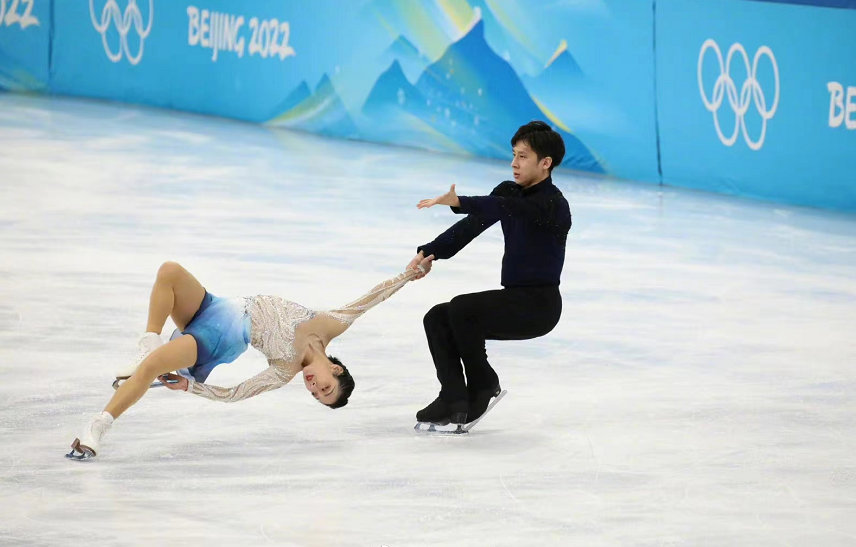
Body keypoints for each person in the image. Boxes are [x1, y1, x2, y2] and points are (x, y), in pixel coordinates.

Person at [67, 256, 434, 459]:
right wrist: (409, 274)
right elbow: (372, 299)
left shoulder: (284, 369)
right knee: (169, 271)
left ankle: (98, 427)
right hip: (218, 305)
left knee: (150, 369)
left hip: (220, 336)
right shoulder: (331, 325)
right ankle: (149, 344)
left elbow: (236, 393)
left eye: (315, 395)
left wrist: (192, 387)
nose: (312, 387)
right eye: (324, 387)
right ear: (335, 368)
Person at [408, 120, 571, 426]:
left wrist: (461, 201)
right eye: (514, 154)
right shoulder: (510, 193)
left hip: (539, 307)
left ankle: (483, 384)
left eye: (523, 156)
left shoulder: (553, 204)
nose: (514, 163)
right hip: (513, 300)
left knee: (462, 308)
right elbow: (472, 225)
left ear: (545, 163)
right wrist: (431, 252)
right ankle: (453, 396)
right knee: (437, 317)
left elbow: (509, 208)